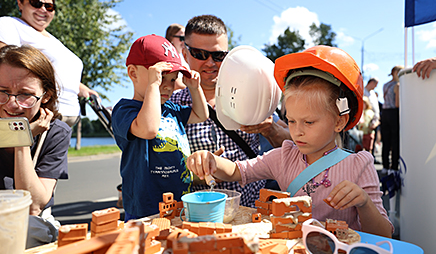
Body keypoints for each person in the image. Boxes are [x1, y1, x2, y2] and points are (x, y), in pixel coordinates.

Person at [187, 46, 393, 238]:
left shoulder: (360, 164)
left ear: (339, 121)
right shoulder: (284, 156)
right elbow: (237, 171)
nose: (297, 131)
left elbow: (384, 235)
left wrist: (364, 203)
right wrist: (210, 160)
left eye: (309, 122)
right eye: (291, 121)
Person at [170, 14, 291, 207]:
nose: (210, 62)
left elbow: (295, 147)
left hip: (250, 212)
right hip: (197, 214)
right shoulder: (172, 105)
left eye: (218, 56)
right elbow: (161, 167)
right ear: (185, 54)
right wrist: (200, 174)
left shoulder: (253, 92)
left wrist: (270, 130)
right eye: (200, 54)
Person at [112, 34, 208, 221]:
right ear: (133, 73)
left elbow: (200, 115)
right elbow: (149, 129)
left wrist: (195, 88)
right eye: (160, 77)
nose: (168, 86)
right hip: (145, 204)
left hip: (180, 198)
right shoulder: (125, 109)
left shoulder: (171, 108)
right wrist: (152, 86)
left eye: (173, 80)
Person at [0, 45, 72, 247]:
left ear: (46, 96)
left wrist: (21, 138)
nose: (12, 104)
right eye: (3, 91)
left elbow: (33, 207)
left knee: (32, 231)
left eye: (25, 95)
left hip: (27, 224)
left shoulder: (55, 133)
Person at [0, 0, 99, 127]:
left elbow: (61, 73)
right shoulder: (9, 24)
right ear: (20, 3)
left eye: (49, 6)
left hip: (69, 116)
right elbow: (5, 62)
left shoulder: (54, 41)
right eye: (36, 3)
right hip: (40, 114)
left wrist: (84, 89)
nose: (43, 9)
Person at [381, 66, 403, 172]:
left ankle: (385, 166)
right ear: (395, 73)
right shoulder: (397, 85)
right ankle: (394, 167)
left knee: (386, 141)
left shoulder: (385, 85)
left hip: (384, 113)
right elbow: (397, 104)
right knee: (395, 141)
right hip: (393, 113)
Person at [165, 23, 189, 90]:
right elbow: (174, 82)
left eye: (186, 39)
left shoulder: (182, 57)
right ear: (171, 38)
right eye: (182, 38)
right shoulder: (167, 57)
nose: (184, 42)